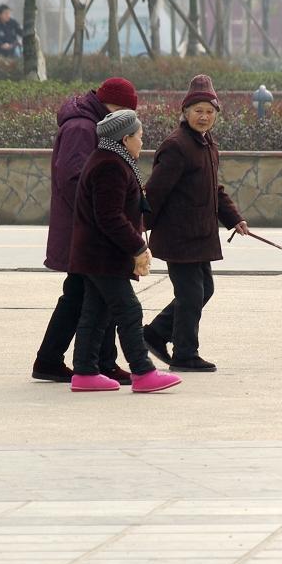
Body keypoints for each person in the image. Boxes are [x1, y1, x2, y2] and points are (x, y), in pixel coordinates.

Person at [33, 77, 139, 385]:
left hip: (87, 228)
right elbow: (73, 180)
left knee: (87, 294)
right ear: (112, 106)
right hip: (85, 230)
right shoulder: (82, 127)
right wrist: (104, 217)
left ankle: (84, 362)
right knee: (89, 294)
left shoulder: (91, 123)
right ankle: (64, 360)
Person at [68, 109, 182, 394]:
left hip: (97, 254)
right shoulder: (110, 166)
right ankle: (143, 372)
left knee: (96, 312)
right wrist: (138, 246)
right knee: (129, 310)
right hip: (103, 255)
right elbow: (109, 217)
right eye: (140, 136)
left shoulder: (111, 160)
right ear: (125, 138)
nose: (142, 142)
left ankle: (84, 372)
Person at [143, 75, 249, 373]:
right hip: (179, 235)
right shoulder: (176, 146)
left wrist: (233, 219)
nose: (204, 116)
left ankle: (153, 334)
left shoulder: (206, 144)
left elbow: (214, 188)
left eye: (209, 111)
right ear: (185, 113)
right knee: (190, 294)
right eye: (198, 110)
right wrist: (138, 229)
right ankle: (185, 355)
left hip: (200, 234)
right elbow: (155, 191)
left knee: (204, 290)